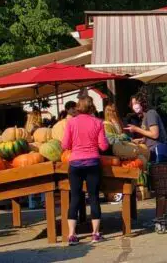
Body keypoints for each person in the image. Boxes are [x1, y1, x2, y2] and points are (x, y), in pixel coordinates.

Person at [60, 96, 109, 245]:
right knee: (93, 197)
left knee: (75, 197)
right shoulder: (98, 123)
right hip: (93, 163)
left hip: (75, 164)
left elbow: (64, 145)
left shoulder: (71, 122)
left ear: (78, 107)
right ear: (92, 107)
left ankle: (72, 235)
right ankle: (95, 234)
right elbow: (104, 147)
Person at [125, 92, 167, 218]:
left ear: (143, 103)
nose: (134, 106)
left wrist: (136, 129)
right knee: (161, 186)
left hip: (159, 151)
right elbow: (150, 135)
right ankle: (164, 215)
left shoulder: (151, 114)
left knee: (160, 186)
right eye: (133, 104)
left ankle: (159, 217)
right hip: (156, 149)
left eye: (136, 103)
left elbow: (155, 134)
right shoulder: (146, 116)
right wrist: (140, 140)